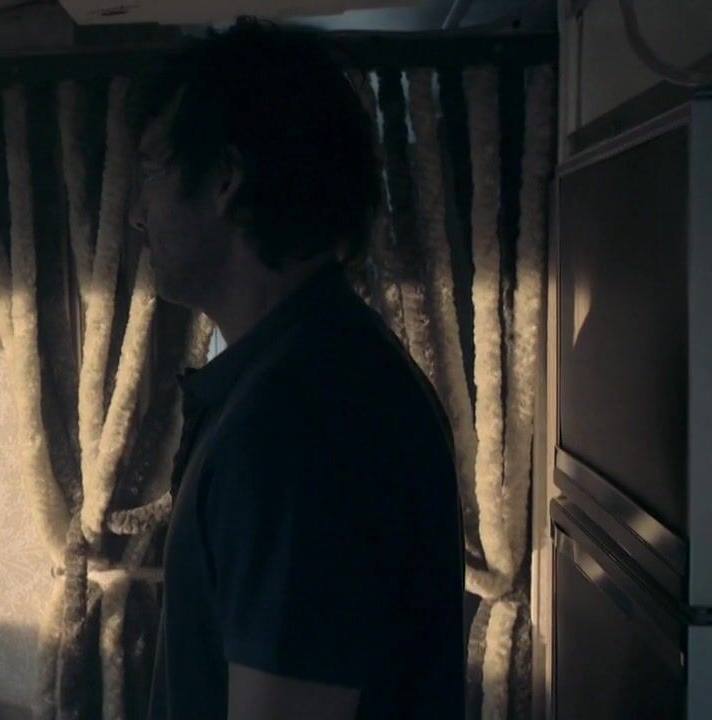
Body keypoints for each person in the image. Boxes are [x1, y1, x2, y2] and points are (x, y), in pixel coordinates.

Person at [128, 19, 465, 720]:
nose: (137, 213)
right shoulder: (313, 370)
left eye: (151, 172)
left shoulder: (298, 422)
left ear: (225, 180)